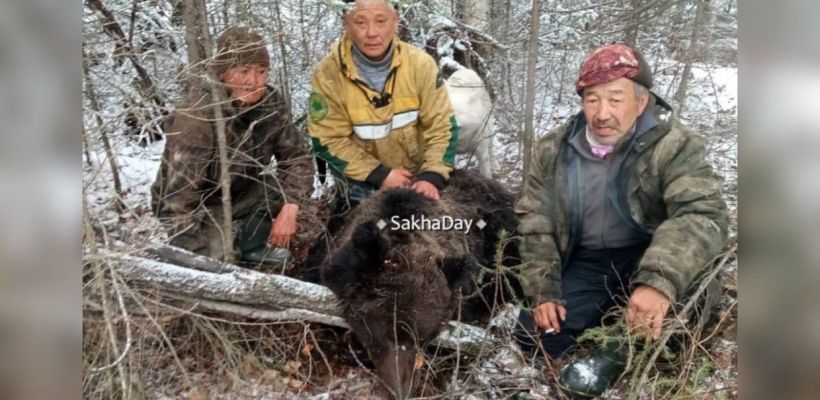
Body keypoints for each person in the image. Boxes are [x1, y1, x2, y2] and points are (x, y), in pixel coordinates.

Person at [514, 43, 729, 397]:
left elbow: (703, 214)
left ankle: (614, 351)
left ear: (642, 102)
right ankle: (612, 312)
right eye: (592, 99)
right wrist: (544, 289)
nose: (602, 113)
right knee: (534, 334)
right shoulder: (554, 149)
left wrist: (658, 282)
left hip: (652, 252)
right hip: (591, 260)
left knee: (694, 288)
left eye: (616, 99)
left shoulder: (674, 146)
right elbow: (537, 218)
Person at [151, 26, 315, 264]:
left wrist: (290, 207)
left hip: (239, 188)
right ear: (223, 73)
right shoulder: (197, 115)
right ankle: (217, 250)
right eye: (243, 70)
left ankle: (253, 245)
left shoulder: (271, 104)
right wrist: (196, 256)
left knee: (278, 188)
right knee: (218, 265)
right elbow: (177, 202)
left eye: (261, 71)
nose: (253, 81)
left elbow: (297, 157)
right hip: (196, 203)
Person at [307, 0, 458, 206]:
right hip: (361, 183)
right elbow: (327, 139)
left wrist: (431, 176)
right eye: (360, 22)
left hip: (417, 178)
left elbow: (442, 126)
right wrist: (379, 174)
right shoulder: (328, 74)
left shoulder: (420, 65)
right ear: (346, 23)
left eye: (381, 21)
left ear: (395, 22)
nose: (371, 32)